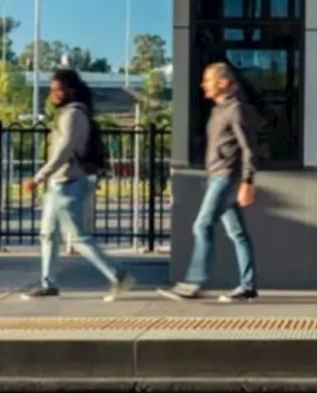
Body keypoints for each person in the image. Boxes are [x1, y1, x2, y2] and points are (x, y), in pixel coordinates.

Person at [21, 69, 134, 301]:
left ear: (70, 90)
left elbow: (63, 151)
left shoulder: (72, 115)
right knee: (48, 234)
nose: (53, 94)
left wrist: (38, 177)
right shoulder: (71, 114)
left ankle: (118, 274)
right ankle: (48, 283)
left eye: (57, 89)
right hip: (59, 183)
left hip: (68, 183)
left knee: (78, 237)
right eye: (51, 90)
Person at [160, 62, 260, 302]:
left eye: (208, 79)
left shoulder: (235, 110)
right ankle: (248, 286)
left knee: (202, 225)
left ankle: (194, 282)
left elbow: (250, 148)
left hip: (226, 176)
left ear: (223, 83)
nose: (203, 84)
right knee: (238, 233)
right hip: (217, 175)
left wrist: (248, 181)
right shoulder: (218, 110)